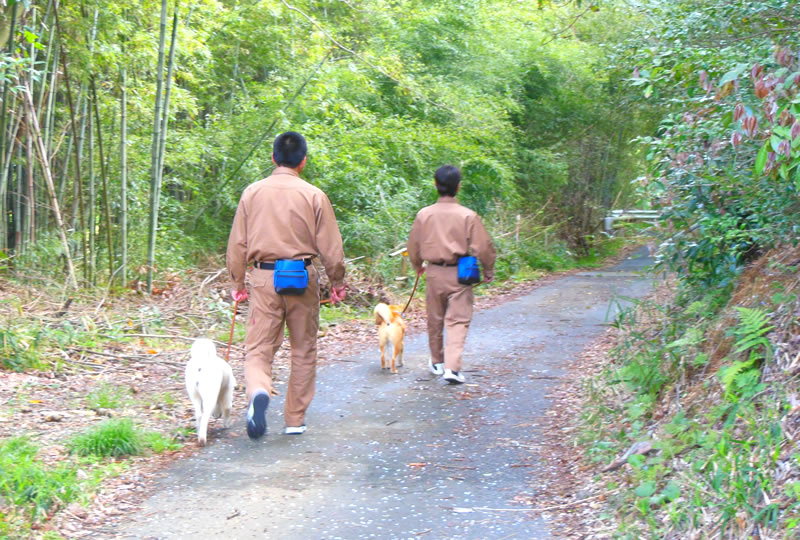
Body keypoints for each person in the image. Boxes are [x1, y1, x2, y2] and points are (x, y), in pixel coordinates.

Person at [226, 131, 346, 439]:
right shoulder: (314, 195)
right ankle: (294, 420)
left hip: (263, 277)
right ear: (303, 161)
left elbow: (238, 243)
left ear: (273, 158)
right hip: (302, 277)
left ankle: (258, 392)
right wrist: (337, 281)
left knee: (257, 349)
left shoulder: (252, 193)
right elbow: (331, 247)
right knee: (304, 349)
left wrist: (236, 281)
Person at [406, 165, 496, 384]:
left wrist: (417, 265)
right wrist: (488, 269)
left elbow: (413, 245)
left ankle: (437, 362)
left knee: (434, 319)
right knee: (457, 321)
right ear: (459, 186)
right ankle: (452, 368)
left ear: (436, 185)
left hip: (434, 272)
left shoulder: (424, 215)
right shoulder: (468, 216)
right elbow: (484, 246)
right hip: (461, 273)